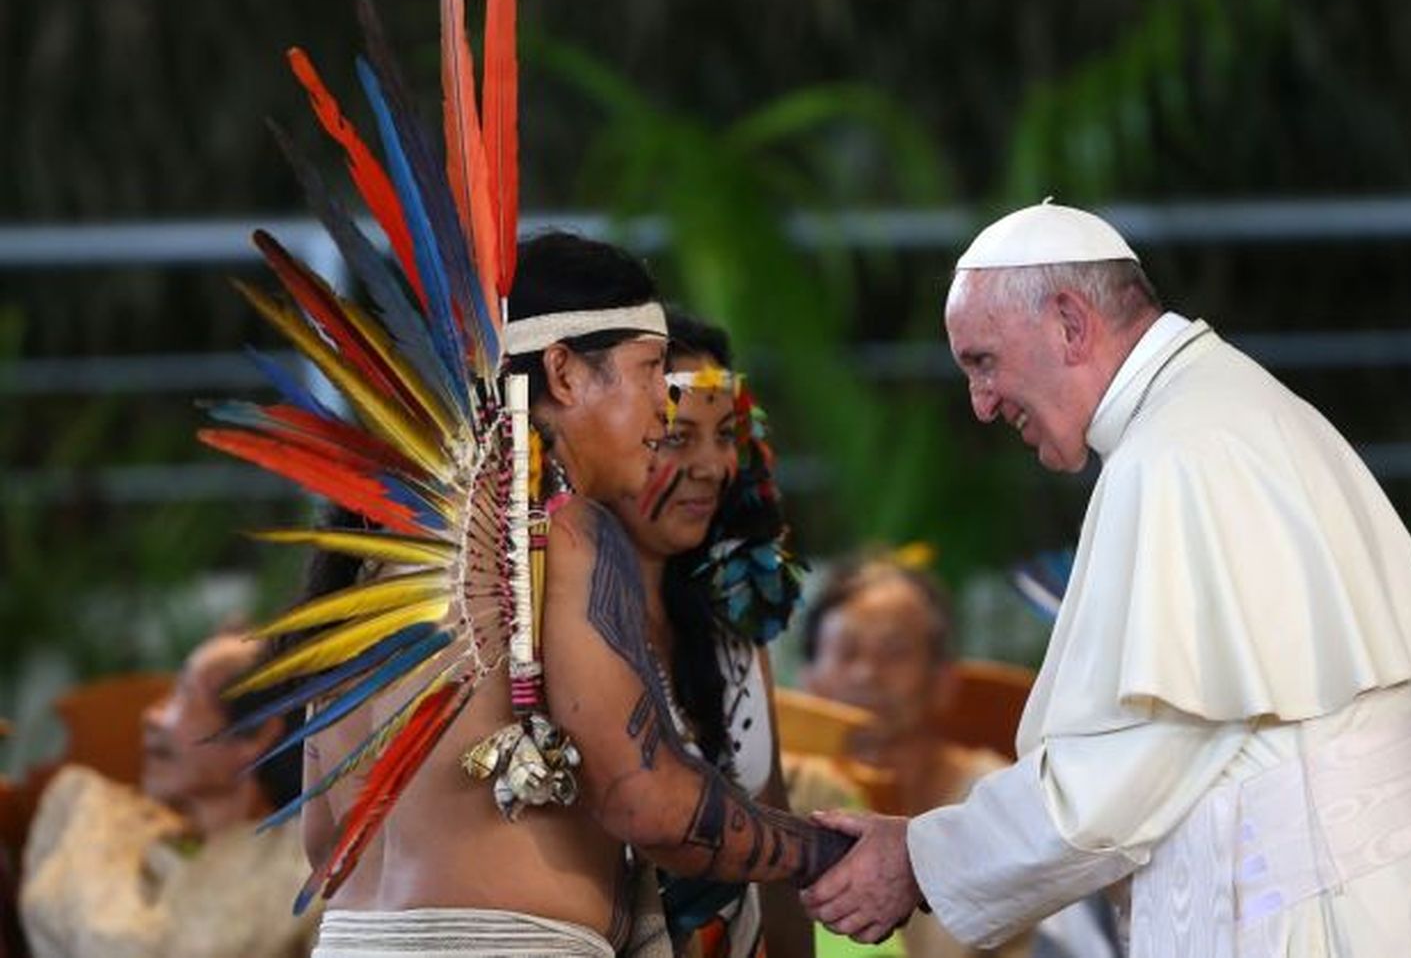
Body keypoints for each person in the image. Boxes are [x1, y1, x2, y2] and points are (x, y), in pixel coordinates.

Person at [801, 202, 1411, 958]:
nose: (981, 404)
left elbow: (1129, 762)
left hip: (1325, 916)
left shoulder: (1175, 453)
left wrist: (920, 858)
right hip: (1378, 897)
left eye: (983, 361)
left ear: (1071, 323)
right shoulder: (1214, 410)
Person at [304, 234, 850, 958]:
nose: (665, 408)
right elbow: (643, 800)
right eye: (651, 369)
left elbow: (321, 842)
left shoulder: (371, 563)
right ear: (562, 371)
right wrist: (830, 852)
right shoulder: (562, 533)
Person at [604, 310, 812, 958]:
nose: (712, 465)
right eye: (675, 436)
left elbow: (774, 827)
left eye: (724, 435)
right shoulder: (553, 632)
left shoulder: (732, 626)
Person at [802, 553, 1117, 958]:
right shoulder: (792, 792)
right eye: (847, 652)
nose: (867, 673)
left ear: (944, 680)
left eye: (894, 652)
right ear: (808, 679)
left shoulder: (1001, 801)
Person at [19, 632, 315, 958]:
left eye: (183, 696)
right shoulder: (96, 812)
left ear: (257, 735)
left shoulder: (300, 872)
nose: (150, 716)